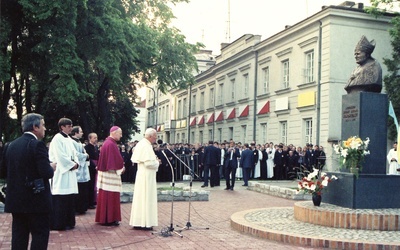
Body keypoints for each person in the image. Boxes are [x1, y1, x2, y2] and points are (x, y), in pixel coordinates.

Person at [1, 113, 55, 249]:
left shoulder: (10, 145)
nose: (45, 128)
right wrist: (51, 167)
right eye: (43, 125)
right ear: (35, 127)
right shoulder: (37, 145)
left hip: (16, 200)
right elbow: (46, 173)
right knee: (40, 235)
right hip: (36, 201)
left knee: (19, 235)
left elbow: (2, 171)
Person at [48, 118, 79, 231]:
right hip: (61, 172)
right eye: (69, 126)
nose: (71, 128)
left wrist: (76, 163)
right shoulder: (57, 139)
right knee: (60, 198)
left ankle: (69, 221)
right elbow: (60, 156)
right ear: (62, 127)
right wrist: (71, 165)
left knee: (69, 198)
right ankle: (58, 223)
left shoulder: (69, 139)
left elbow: (74, 153)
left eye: (71, 126)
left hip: (69, 173)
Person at [129, 128, 160, 230]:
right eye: (155, 136)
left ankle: (138, 221)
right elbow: (148, 163)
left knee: (141, 198)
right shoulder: (146, 145)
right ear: (150, 136)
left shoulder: (142, 143)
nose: (156, 138)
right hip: (146, 176)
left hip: (143, 175)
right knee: (146, 198)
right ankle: (145, 222)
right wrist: (157, 162)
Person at [95, 126, 125, 226]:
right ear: (114, 133)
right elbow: (115, 161)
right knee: (110, 197)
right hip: (110, 175)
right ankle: (109, 218)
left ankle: (106, 218)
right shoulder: (111, 144)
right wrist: (121, 168)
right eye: (120, 133)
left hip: (106, 174)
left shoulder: (109, 143)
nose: (121, 135)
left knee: (107, 197)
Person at [70, 126, 90, 215]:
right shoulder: (71, 142)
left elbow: (84, 152)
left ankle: (82, 207)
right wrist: (85, 156)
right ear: (75, 133)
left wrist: (85, 155)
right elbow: (75, 154)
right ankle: (77, 208)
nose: (82, 133)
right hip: (77, 170)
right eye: (80, 131)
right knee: (78, 189)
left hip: (83, 169)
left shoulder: (80, 142)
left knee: (83, 189)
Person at [84, 133, 99, 209]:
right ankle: (90, 202)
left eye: (96, 138)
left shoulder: (95, 147)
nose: (96, 139)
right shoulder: (87, 147)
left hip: (96, 166)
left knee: (94, 185)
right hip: (91, 167)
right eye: (94, 138)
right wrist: (94, 166)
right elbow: (88, 159)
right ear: (90, 138)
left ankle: (94, 200)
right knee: (90, 185)